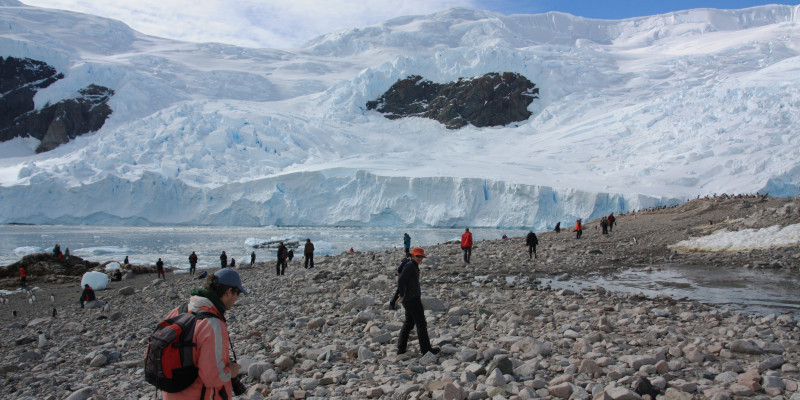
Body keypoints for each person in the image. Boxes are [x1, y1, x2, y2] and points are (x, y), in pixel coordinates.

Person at [160, 268, 248, 400]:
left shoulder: (179, 311)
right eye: (238, 294)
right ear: (229, 292)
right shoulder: (213, 324)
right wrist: (232, 370)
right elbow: (212, 377)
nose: (236, 299)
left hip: (171, 393)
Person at [396, 248, 440, 356]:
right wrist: (401, 294)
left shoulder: (413, 265)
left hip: (410, 298)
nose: (420, 259)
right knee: (421, 324)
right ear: (413, 256)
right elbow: (401, 280)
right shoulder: (410, 265)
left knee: (409, 324)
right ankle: (426, 350)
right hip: (412, 299)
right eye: (418, 256)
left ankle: (401, 349)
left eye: (421, 257)